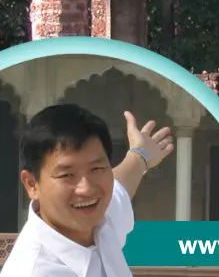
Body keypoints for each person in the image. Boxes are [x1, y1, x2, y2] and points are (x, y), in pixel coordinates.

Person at [1, 104, 175, 277]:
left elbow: (121, 183)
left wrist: (140, 155)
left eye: (97, 169)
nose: (86, 189)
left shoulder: (99, 219)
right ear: (31, 184)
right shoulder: (33, 271)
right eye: (67, 175)